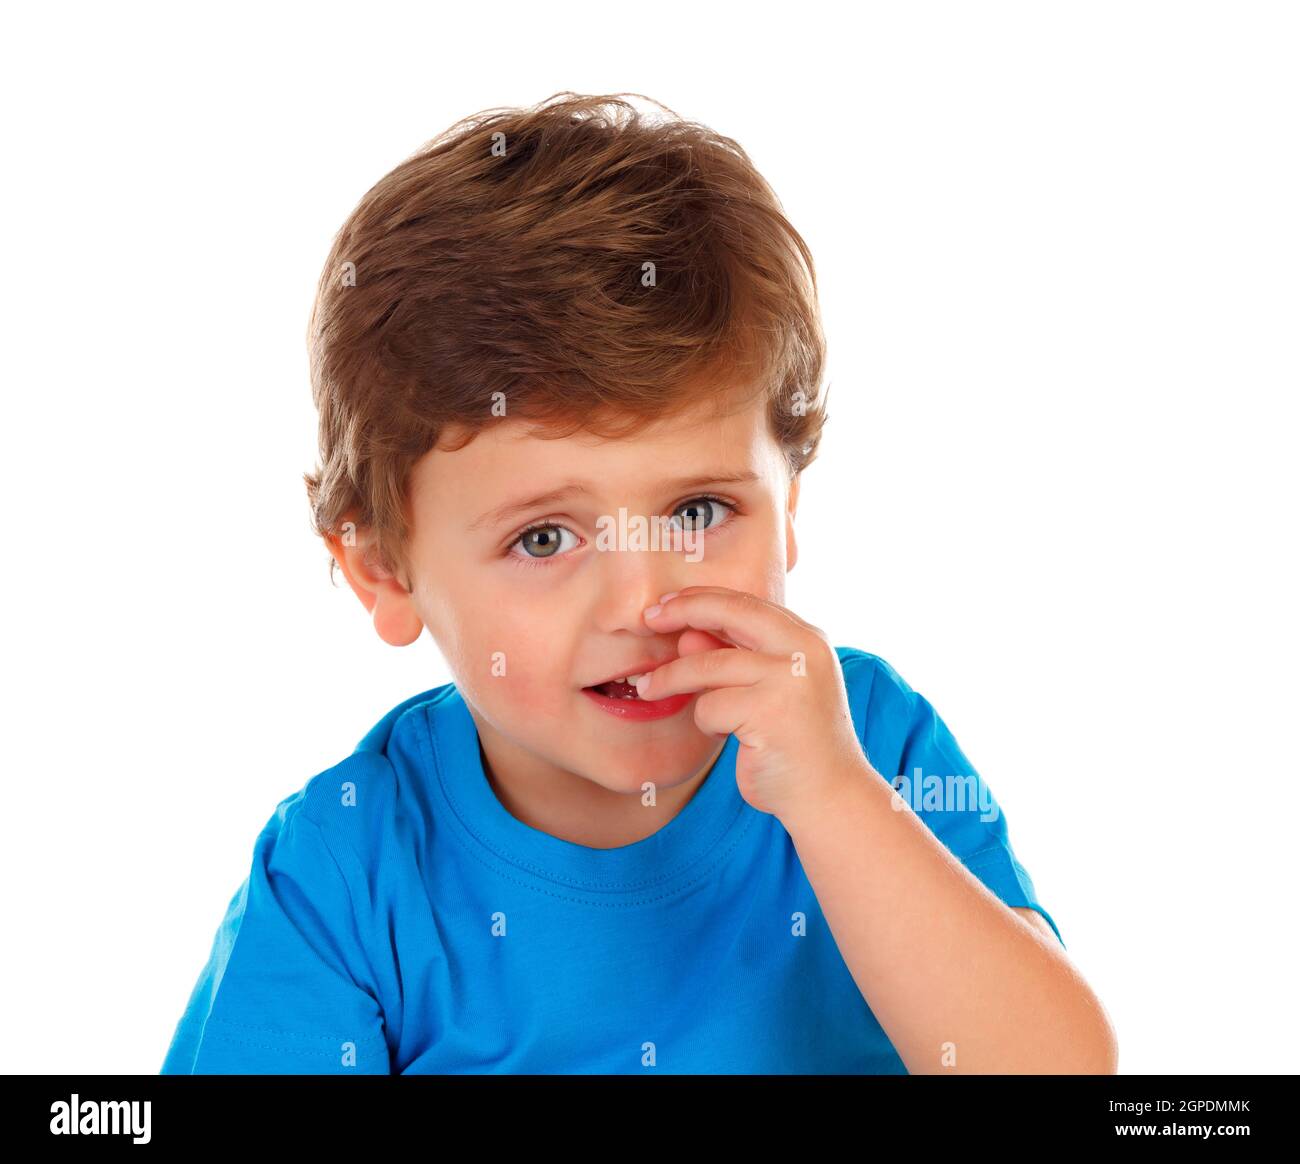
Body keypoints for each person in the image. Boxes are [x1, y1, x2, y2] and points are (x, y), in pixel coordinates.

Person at [161, 91, 1116, 1075]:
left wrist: (834, 799)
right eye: (543, 539)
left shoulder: (865, 743)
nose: (639, 605)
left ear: (789, 504)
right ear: (381, 570)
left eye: (698, 513)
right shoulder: (346, 867)